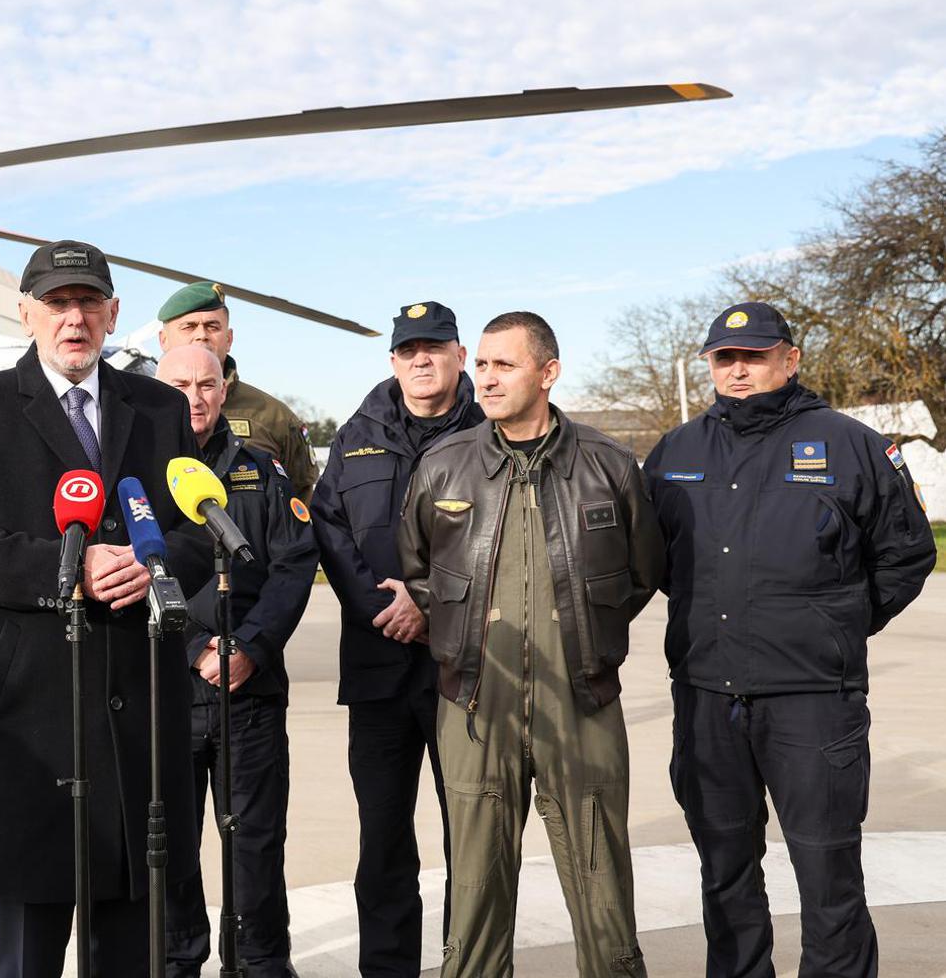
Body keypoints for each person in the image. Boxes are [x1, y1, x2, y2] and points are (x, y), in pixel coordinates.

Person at [0, 240, 213, 978]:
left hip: (139, 721)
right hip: (30, 723)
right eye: (56, 303)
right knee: (30, 951)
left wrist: (153, 567)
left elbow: (196, 531)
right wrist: (69, 569)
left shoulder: (161, 408)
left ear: (113, 315)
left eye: (88, 303)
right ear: (26, 315)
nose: (73, 318)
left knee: (131, 950)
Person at [643, 301, 936, 978]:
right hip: (708, 698)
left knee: (828, 877)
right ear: (710, 365)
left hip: (812, 701)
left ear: (791, 358)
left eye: (753, 356)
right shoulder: (676, 451)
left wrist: (837, 621)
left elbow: (907, 553)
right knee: (725, 877)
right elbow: (652, 559)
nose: (738, 370)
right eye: (725, 358)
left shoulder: (851, 443)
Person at [397, 311, 664, 978]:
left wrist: (584, 639)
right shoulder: (443, 465)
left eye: (503, 365)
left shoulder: (608, 466)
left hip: (582, 700)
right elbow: (419, 570)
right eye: (481, 364)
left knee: (601, 880)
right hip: (473, 703)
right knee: (478, 889)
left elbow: (641, 573)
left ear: (548, 372)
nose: (485, 379)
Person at [309, 301, 482, 976]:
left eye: (434, 347)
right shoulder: (358, 434)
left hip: (465, 670)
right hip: (379, 670)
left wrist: (430, 605)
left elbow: (502, 538)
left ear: (459, 356)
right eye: (408, 349)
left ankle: (470, 963)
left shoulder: (488, 429)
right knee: (382, 840)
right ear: (392, 361)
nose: (421, 359)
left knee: (471, 837)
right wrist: (381, 607)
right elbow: (327, 526)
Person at [155, 344, 318, 978]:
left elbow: (293, 564)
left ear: (226, 390)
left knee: (254, 841)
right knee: (167, 847)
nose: (194, 396)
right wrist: (194, 648)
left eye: (207, 383)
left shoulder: (261, 472)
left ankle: (258, 962)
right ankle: (176, 961)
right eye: (180, 384)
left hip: (248, 692)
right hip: (164, 691)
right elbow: (126, 576)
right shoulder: (135, 476)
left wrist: (250, 646)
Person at [157, 281, 318, 502]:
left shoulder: (274, 417)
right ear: (163, 339)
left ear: (229, 339)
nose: (202, 335)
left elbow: (301, 496)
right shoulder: (138, 407)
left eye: (213, 327)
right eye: (189, 326)